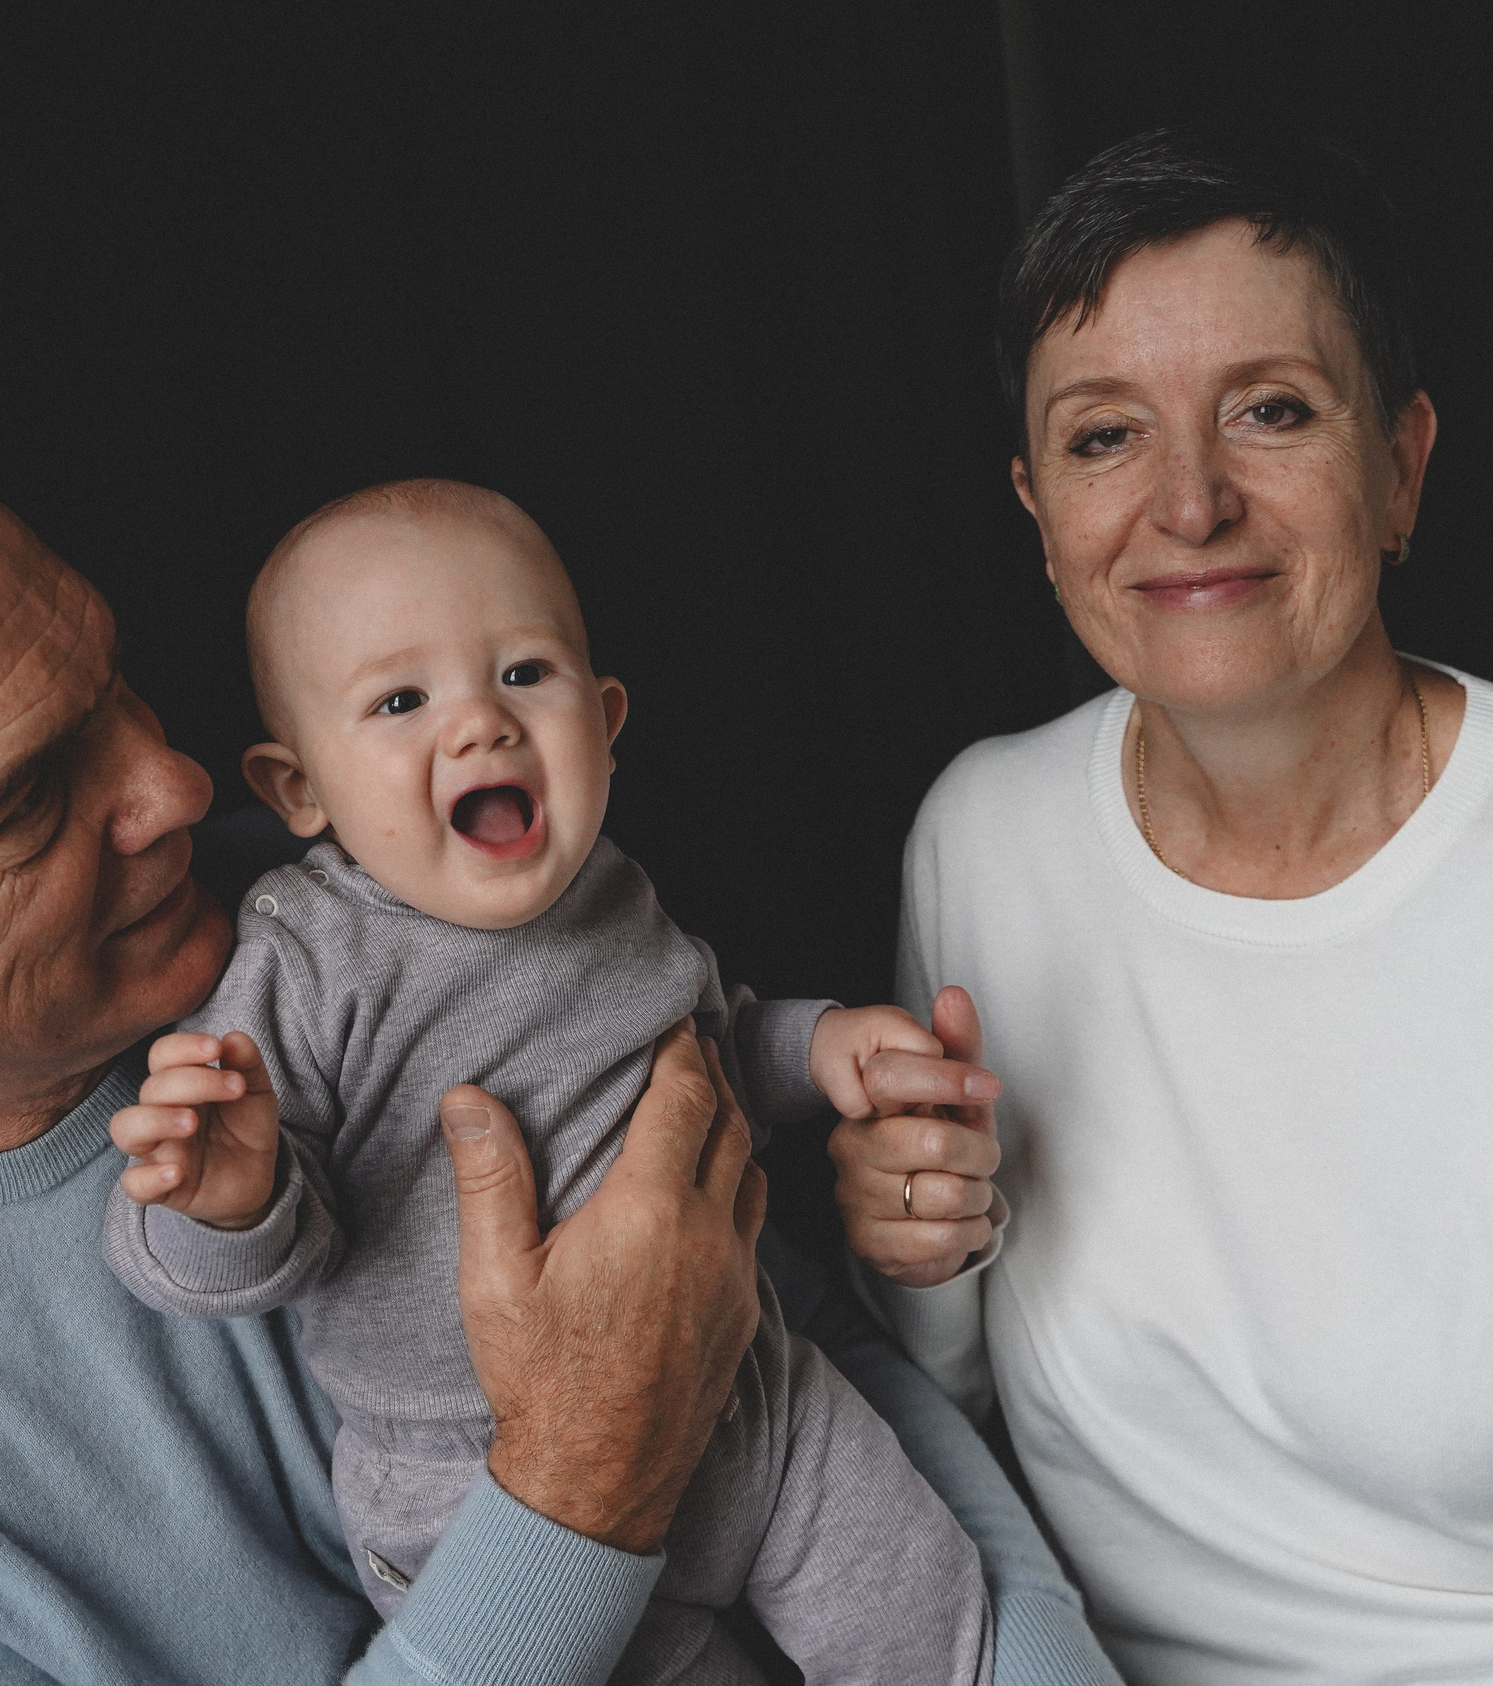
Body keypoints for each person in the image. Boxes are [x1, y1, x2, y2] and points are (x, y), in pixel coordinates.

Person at [0, 451, 1120, 1684]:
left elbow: (801, 1339)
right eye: (29, 798)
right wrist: (577, 1483)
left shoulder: (360, 901)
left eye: (114, 683)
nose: (174, 784)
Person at [832, 129, 1493, 1683]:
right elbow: (945, 1413)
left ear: (1401, 466)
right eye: (1105, 436)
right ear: (1035, 507)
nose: (1188, 502)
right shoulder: (984, 833)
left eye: (1272, 410)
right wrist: (918, 1245)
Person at [104, 480, 993, 1684]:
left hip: (753, 1398)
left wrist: (824, 1051)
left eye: (524, 674)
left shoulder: (611, 888)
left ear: (605, 722)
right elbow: (232, 1263)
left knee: (938, 1625)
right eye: (402, 700)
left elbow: (706, 1050)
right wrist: (226, 1197)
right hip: (481, 1491)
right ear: (298, 790)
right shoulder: (303, 964)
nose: (481, 725)